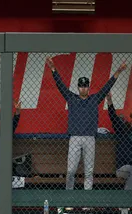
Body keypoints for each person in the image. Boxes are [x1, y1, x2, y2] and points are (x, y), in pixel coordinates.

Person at [46, 57, 127, 190]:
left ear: (88, 87)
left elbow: (107, 86)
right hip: (75, 137)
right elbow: (60, 85)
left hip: (90, 137)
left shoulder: (94, 99)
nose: (83, 88)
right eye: (81, 86)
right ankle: (68, 197)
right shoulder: (71, 98)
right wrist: (53, 69)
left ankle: (86, 202)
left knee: (89, 172)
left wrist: (118, 71)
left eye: (85, 86)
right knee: (71, 171)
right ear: (78, 87)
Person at [106, 92, 132, 190]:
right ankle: (126, 200)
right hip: (122, 168)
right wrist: (109, 101)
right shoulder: (123, 130)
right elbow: (113, 117)